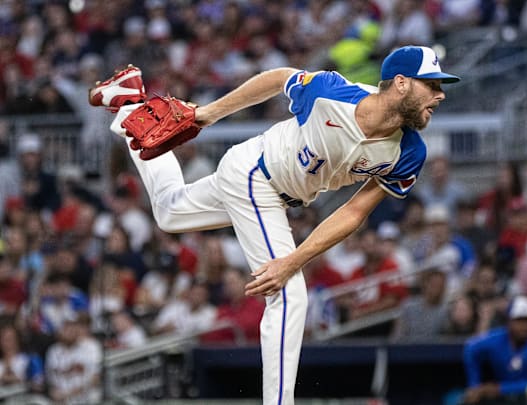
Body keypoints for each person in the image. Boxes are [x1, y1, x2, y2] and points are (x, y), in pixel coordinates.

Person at [89, 45, 459, 404]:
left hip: (274, 194)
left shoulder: (410, 151)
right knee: (289, 294)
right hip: (255, 175)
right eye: (433, 84)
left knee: (170, 212)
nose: (440, 95)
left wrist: (293, 259)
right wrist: (208, 113)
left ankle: (130, 104)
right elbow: (279, 78)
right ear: (401, 82)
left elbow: (353, 213)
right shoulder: (333, 92)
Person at [463, 295, 527, 403]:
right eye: (519, 320)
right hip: (501, 396)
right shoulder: (498, 339)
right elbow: (470, 348)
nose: (524, 326)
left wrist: (500, 388)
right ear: (508, 321)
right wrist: (474, 385)